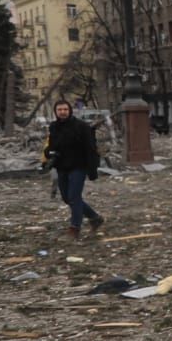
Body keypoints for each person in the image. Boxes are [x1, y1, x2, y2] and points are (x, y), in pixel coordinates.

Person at [42, 99, 103, 239]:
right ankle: (95, 218)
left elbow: (91, 148)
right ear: (56, 112)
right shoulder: (54, 127)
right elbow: (51, 145)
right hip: (62, 167)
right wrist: (49, 153)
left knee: (74, 197)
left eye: (65, 109)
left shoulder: (81, 126)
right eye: (59, 110)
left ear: (69, 111)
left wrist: (92, 169)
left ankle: (74, 229)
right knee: (67, 198)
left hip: (78, 166)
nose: (62, 112)